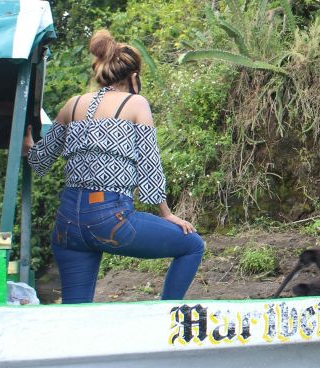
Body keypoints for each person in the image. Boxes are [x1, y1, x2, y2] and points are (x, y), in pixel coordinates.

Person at [24, 29, 204, 304]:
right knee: (192, 245)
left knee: (76, 314)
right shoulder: (135, 104)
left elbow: (39, 161)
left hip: (68, 224)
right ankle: (163, 319)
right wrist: (166, 213)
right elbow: (149, 163)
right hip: (108, 218)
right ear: (133, 76)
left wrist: (28, 144)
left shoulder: (72, 105)